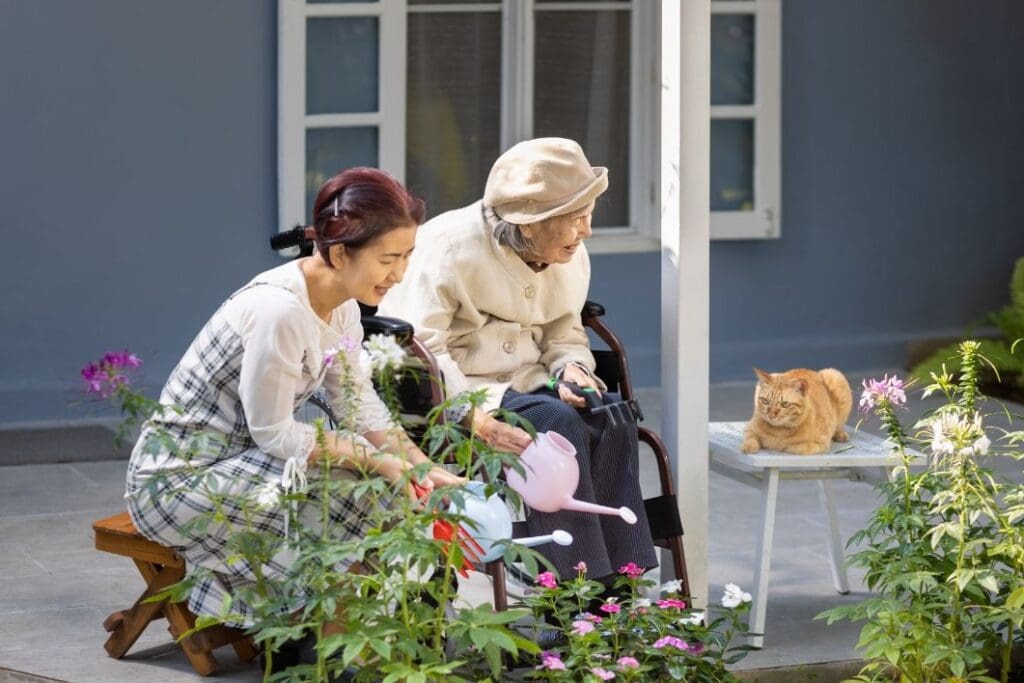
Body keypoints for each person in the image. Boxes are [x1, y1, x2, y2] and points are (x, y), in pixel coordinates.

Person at [125, 167, 463, 631]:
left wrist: (422, 469)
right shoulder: (280, 310)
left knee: (380, 486)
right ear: (341, 253)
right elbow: (274, 433)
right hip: (178, 483)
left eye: (407, 256)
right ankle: (329, 644)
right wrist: (377, 460)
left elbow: (356, 402)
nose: (400, 274)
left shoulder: (342, 303)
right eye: (389, 258)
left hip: (243, 465)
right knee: (352, 489)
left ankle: (334, 636)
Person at [378, 138, 657, 583]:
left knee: (611, 413)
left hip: (529, 378)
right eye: (575, 218)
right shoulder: (447, 248)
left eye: (589, 214)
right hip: (463, 388)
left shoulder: (567, 252)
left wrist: (572, 368)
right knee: (554, 422)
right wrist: (475, 419)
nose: (586, 230)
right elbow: (422, 348)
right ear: (530, 225)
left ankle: (621, 578)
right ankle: (567, 593)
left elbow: (564, 330)